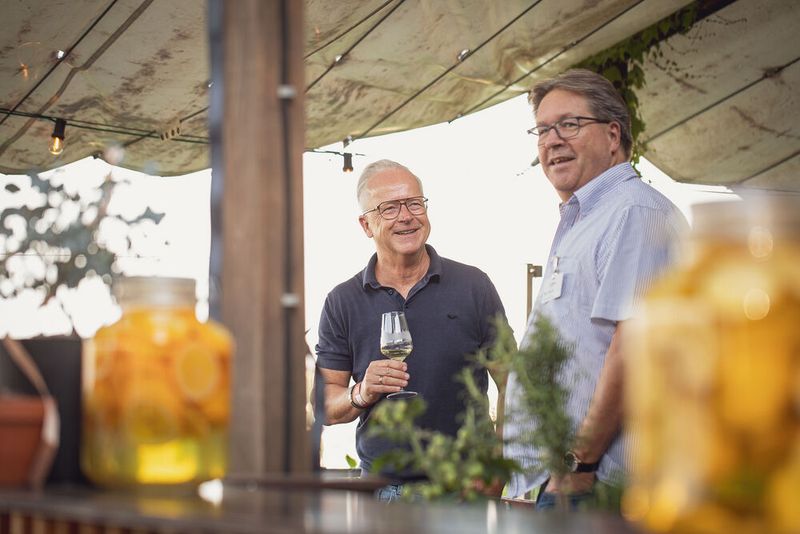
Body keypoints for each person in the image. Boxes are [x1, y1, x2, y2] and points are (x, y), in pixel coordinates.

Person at [503, 69, 688, 510]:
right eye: (543, 129)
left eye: (569, 124)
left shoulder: (637, 213)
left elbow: (634, 351)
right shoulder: (584, 220)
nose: (552, 140)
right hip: (561, 481)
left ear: (612, 135)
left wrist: (579, 465)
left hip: (599, 485)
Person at [315, 159, 507, 502]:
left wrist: (498, 464)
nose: (406, 216)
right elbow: (325, 404)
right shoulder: (342, 301)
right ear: (366, 224)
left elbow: (511, 381)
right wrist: (361, 392)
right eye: (389, 208)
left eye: (414, 203)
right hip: (382, 493)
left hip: (465, 488)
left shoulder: (473, 286)